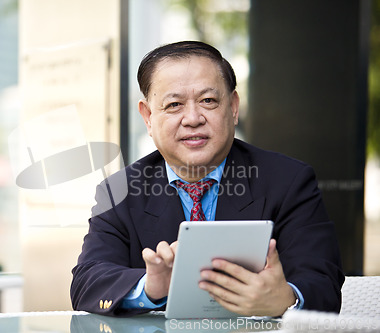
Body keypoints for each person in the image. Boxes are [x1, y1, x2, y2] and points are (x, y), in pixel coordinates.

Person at [70, 41, 344, 317]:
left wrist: (285, 299)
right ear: (148, 117)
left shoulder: (289, 181)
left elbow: (323, 285)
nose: (192, 118)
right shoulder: (119, 191)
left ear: (234, 107)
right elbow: (87, 284)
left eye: (208, 101)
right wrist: (149, 287)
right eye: (174, 104)